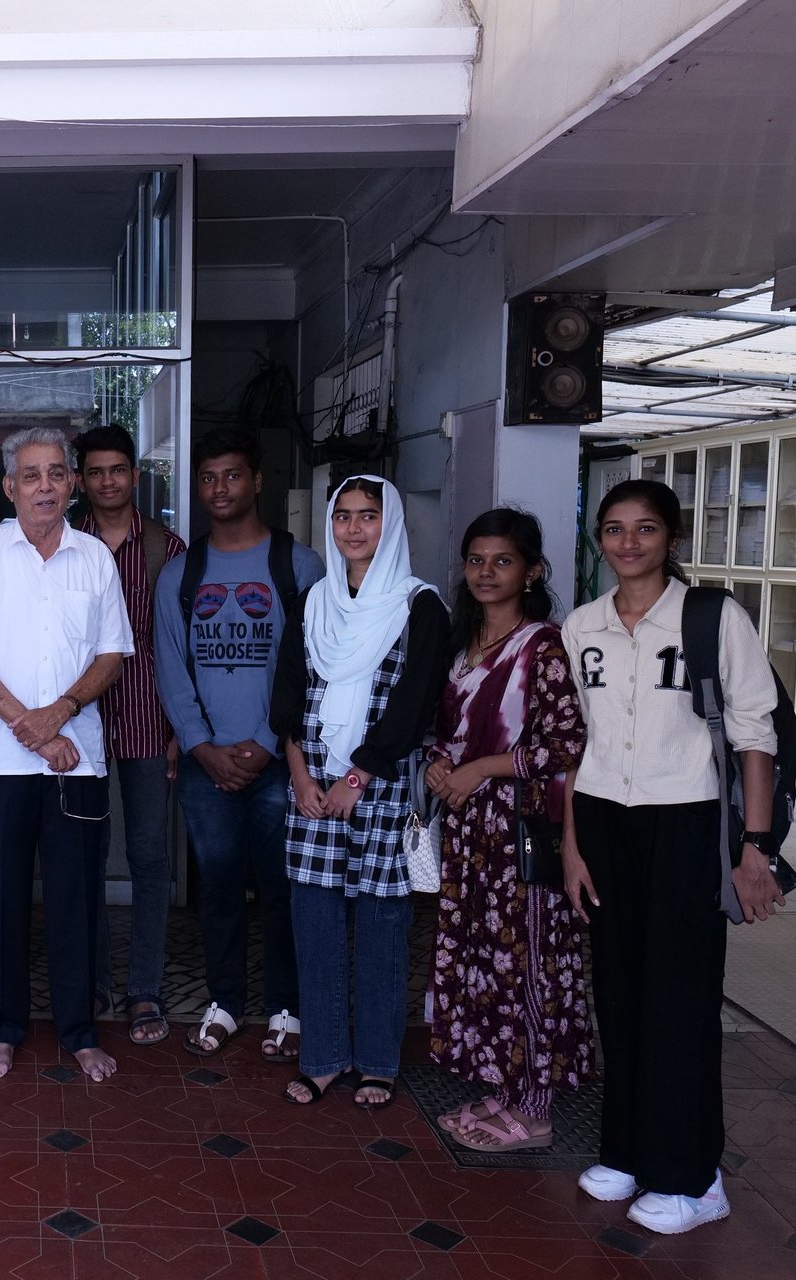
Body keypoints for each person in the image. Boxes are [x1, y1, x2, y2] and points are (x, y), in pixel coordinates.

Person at [561, 479, 782, 1234]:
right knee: (617, 993)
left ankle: (693, 1177)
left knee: (680, 1001)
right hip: (602, 821)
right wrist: (571, 845)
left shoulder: (713, 618)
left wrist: (753, 850)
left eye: (646, 529)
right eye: (615, 529)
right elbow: (577, 745)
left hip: (686, 823)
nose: (629, 543)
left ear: (672, 540)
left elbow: (755, 736)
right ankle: (626, 1153)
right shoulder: (582, 625)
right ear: (600, 540)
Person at [0, 426, 133, 1083]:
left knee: (76, 897)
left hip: (75, 760)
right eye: (32, 475)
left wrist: (61, 715)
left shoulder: (94, 559)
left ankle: (79, 1031)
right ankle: (2, 1029)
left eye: (57, 473)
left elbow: (111, 655)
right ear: (9, 487)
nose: (46, 486)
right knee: (0, 900)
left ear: (73, 483)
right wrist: (32, 727)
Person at [274, 475, 447, 1110]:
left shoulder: (419, 606)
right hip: (313, 789)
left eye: (368, 516)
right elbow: (289, 697)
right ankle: (321, 1058)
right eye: (343, 516)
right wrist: (300, 775)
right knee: (314, 924)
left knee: (381, 927)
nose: (353, 528)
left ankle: (377, 1061)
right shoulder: (313, 602)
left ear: (391, 524)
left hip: (380, 787)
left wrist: (358, 777)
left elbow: (415, 703)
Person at [155, 427, 324, 1062]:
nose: (220, 488)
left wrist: (264, 742)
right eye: (208, 478)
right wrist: (202, 747)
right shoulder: (180, 572)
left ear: (257, 482)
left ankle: (288, 1007)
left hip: (281, 763)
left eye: (232, 476)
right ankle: (224, 1001)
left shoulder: (298, 565)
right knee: (218, 888)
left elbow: (312, 666)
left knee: (284, 887)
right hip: (207, 768)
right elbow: (171, 666)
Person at [426, 508, 592, 1153]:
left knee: (527, 964)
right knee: (483, 967)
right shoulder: (464, 643)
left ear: (532, 571)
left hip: (521, 832)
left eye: (502, 561)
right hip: (472, 836)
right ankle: (504, 1092)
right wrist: (442, 766)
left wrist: (482, 768)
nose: (486, 573)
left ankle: (536, 1112)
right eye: (475, 560)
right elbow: (447, 730)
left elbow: (566, 745)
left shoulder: (542, 646)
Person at [72, 424, 187, 1045]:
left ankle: (144, 990)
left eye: (118, 470)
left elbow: (183, 647)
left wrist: (180, 729)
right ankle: (90, 979)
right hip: (80, 725)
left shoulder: (168, 548)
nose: (108, 481)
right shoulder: (62, 543)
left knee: (149, 859)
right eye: (96, 472)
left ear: (135, 475)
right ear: (81, 480)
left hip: (149, 722)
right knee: (83, 857)